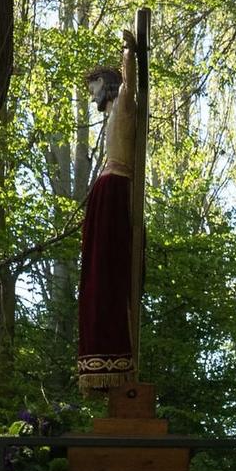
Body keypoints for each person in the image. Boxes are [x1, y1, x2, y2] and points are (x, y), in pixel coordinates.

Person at [78, 31, 141, 392]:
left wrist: (128, 52)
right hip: (106, 186)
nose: (93, 96)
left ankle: (117, 356)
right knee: (94, 273)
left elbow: (131, 82)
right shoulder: (112, 113)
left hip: (116, 184)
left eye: (95, 87)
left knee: (106, 269)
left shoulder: (125, 103)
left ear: (108, 83)